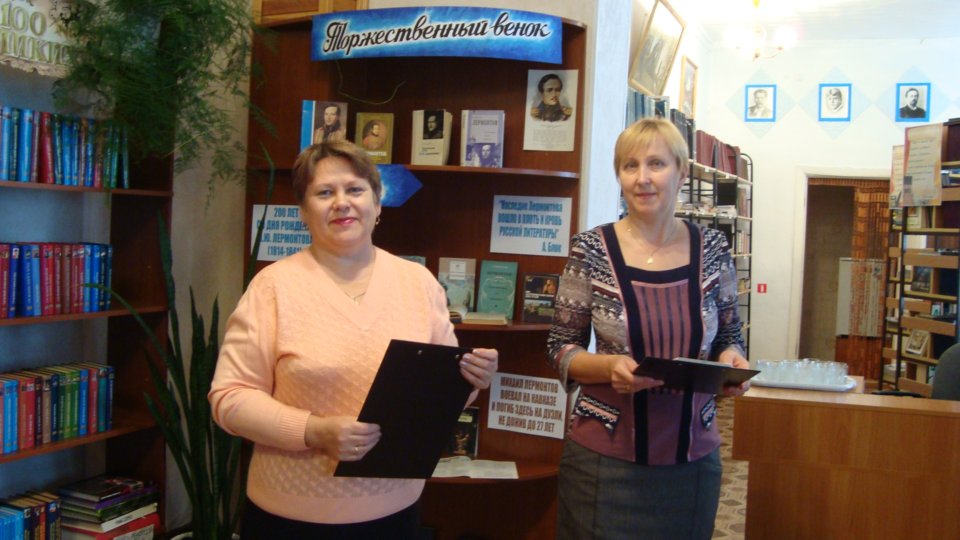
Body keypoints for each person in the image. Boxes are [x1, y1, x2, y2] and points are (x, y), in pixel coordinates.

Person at [208, 140, 499, 539]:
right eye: (324, 192)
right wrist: (314, 431)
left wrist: (471, 380)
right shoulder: (272, 287)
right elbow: (230, 399)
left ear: (377, 205)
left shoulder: (418, 283)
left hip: (395, 512)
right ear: (303, 211)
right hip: (291, 516)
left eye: (355, 189)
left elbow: (438, 398)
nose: (342, 202)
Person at [546, 118, 749, 539]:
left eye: (656, 164)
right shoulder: (591, 250)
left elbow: (729, 337)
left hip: (693, 460)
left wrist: (731, 361)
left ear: (682, 172)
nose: (642, 178)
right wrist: (609, 368)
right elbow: (561, 348)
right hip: (603, 462)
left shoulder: (713, 249)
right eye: (630, 165)